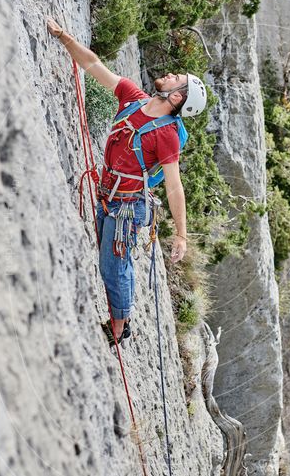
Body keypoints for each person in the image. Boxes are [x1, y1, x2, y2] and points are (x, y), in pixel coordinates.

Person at [47, 17, 207, 345]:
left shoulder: (166, 135)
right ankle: (121, 315)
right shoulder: (133, 98)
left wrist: (181, 235)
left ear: (177, 98)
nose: (169, 75)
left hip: (127, 206)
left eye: (176, 78)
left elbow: (174, 186)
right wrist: (64, 38)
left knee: (113, 264)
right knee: (110, 259)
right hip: (110, 193)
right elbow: (93, 64)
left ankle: (120, 326)